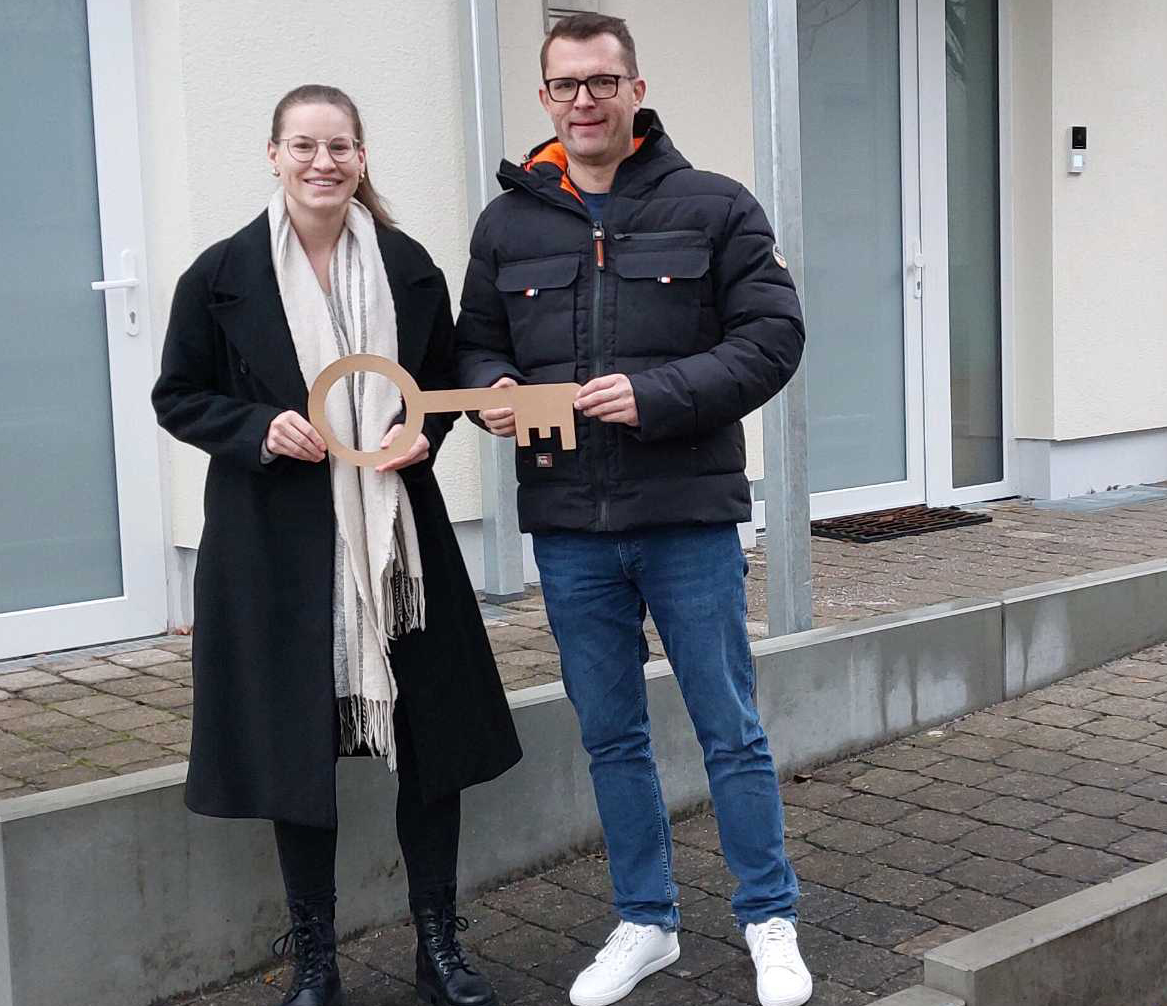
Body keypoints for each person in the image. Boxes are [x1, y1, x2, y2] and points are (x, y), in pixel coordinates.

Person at [455, 15, 810, 1006]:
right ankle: (646, 922)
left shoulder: (714, 206)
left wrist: (659, 394)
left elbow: (774, 337)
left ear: (635, 87)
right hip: (569, 529)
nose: (584, 100)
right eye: (565, 85)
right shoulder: (507, 224)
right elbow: (476, 345)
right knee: (612, 736)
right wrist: (490, 389)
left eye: (602, 81)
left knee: (728, 727)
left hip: (686, 516)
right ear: (544, 98)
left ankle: (767, 916)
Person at [152, 84, 521, 1006]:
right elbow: (178, 396)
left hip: (401, 544)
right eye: (305, 146)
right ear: (272, 154)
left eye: (341, 147)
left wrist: (428, 433)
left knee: (431, 742)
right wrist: (257, 430)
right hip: (274, 545)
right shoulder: (219, 274)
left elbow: (442, 386)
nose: (324, 163)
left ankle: (439, 945)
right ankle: (316, 961)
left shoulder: (407, 265)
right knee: (295, 752)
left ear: (362, 157)